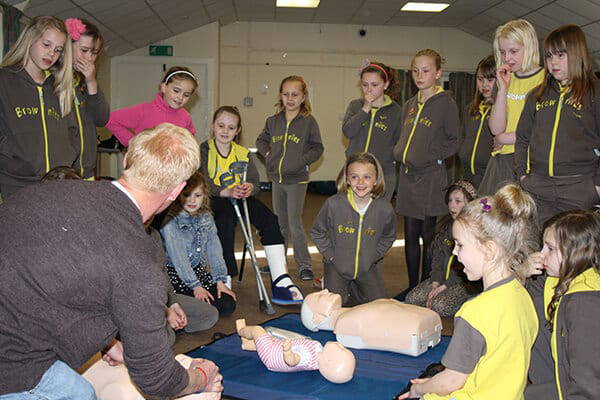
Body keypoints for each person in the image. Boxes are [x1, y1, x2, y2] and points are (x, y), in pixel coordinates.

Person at [0, 123, 222, 399]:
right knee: (80, 394)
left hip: (16, 327)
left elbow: (53, 279)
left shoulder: (41, 192)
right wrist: (201, 377)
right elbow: (158, 380)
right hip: (11, 364)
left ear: (127, 160)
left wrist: (106, 342)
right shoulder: (138, 265)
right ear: (177, 191)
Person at [398, 184, 539, 399]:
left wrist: (418, 389)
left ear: (489, 249)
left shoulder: (474, 312)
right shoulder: (522, 295)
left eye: (460, 245)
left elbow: (451, 382)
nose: (454, 252)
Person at [200, 106, 303, 305]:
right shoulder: (204, 149)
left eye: (231, 127)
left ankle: (280, 279)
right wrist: (225, 191)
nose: (225, 131)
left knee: (270, 221)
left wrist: (249, 187)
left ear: (238, 131)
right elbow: (202, 181)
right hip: (216, 199)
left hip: (241, 198)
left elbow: (255, 181)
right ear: (213, 126)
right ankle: (225, 275)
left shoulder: (242, 152)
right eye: (221, 126)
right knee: (225, 220)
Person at [393, 49, 461, 299]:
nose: (419, 76)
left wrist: (431, 156)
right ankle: (413, 287)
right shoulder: (410, 105)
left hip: (431, 177)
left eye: (426, 70)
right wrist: (400, 151)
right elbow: (404, 136)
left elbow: (454, 140)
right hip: (409, 178)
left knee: (428, 236)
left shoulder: (446, 103)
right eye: (415, 70)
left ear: (438, 73)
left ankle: (426, 286)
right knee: (410, 235)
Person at [516, 25, 600, 225]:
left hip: (579, 187)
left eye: (561, 55)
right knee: (541, 248)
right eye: (549, 56)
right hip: (538, 186)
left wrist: (596, 185)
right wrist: (522, 176)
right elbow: (522, 138)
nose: (553, 62)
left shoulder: (595, 93)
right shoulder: (537, 95)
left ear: (577, 54)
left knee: (573, 252)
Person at [525, 210, 600, 400]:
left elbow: (588, 386)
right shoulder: (567, 279)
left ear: (576, 252)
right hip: (561, 383)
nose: (540, 255)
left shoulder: (583, 305)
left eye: (549, 248)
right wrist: (522, 271)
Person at [256, 75, 324, 281]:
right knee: (280, 224)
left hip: (297, 181)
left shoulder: (308, 122)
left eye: (295, 94)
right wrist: (268, 155)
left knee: (294, 223)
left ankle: (304, 265)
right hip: (277, 180)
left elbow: (317, 148)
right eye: (286, 94)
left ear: (303, 97)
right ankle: (279, 263)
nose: (290, 98)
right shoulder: (273, 121)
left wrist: (302, 161)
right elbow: (261, 141)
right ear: (280, 96)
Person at [0, 15, 76, 198]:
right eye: (46, 45)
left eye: (58, 50)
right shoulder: (4, 81)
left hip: (57, 188)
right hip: (15, 186)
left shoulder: (59, 88)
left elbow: (72, 133)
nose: (52, 54)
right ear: (30, 40)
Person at [311, 152, 396, 306]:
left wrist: (373, 256)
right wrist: (331, 256)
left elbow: (388, 237)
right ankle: (334, 284)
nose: (361, 182)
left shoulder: (384, 208)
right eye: (355, 177)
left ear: (376, 180)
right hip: (337, 266)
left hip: (366, 267)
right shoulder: (334, 204)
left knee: (380, 306)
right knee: (334, 307)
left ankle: (353, 287)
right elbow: (317, 232)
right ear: (347, 179)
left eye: (367, 177)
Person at [479, 19, 545, 195]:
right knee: (488, 216)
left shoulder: (545, 81)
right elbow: (495, 128)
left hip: (529, 162)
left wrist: (505, 139)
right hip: (501, 162)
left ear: (529, 46)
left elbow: (541, 130)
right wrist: (502, 90)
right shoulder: (505, 78)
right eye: (503, 52)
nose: (507, 58)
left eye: (514, 51)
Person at [160, 171, 237, 317]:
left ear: (205, 196)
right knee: (206, 310)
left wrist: (220, 280)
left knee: (227, 305)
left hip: (197, 272)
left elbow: (215, 250)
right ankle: (173, 307)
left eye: (197, 195)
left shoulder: (206, 217)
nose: (192, 200)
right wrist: (196, 286)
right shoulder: (170, 221)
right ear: (178, 196)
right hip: (175, 276)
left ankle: (193, 307)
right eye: (186, 195)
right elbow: (179, 260)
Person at [405, 181, 482, 317]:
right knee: (412, 299)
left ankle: (471, 300)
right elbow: (438, 259)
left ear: (469, 203)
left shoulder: (475, 230)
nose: (452, 205)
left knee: (439, 306)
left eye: (458, 201)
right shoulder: (445, 227)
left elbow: (465, 269)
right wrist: (435, 283)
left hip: (463, 283)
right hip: (442, 279)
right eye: (450, 200)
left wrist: (445, 286)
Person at [301, 290, 442, 357]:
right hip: (413, 326)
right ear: (317, 319)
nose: (325, 290)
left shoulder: (351, 315)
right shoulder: (347, 322)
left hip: (417, 322)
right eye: (319, 296)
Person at [342, 61, 402, 201]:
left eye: (375, 85)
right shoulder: (355, 106)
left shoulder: (396, 111)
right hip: (355, 174)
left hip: (383, 174)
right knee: (352, 217)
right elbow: (348, 131)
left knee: (378, 219)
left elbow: (399, 142)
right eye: (365, 85)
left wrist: (387, 159)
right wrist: (365, 109)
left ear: (386, 85)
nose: (369, 90)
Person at [236, 319, 355, 384]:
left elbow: (292, 361)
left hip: (272, 354)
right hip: (276, 348)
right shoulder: (319, 353)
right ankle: (247, 344)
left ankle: (242, 330)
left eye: (341, 349)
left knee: (258, 331)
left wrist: (287, 351)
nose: (340, 345)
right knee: (267, 340)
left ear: (328, 359)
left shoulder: (307, 357)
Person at [106, 66, 197, 147]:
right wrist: (134, 143)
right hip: (145, 165)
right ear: (163, 87)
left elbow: (190, 142)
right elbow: (110, 119)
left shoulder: (185, 117)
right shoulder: (143, 111)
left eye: (186, 95)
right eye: (176, 91)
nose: (180, 97)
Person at [65, 17, 109, 180]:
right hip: (64, 174)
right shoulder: (52, 83)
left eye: (94, 53)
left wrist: (91, 82)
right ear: (66, 47)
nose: (89, 58)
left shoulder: (86, 83)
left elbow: (102, 119)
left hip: (87, 172)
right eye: (84, 50)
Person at [458, 55, 496, 189]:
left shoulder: (504, 110)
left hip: (491, 177)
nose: (484, 85)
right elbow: (462, 136)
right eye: (480, 79)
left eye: (490, 79)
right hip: (468, 176)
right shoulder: (470, 109)